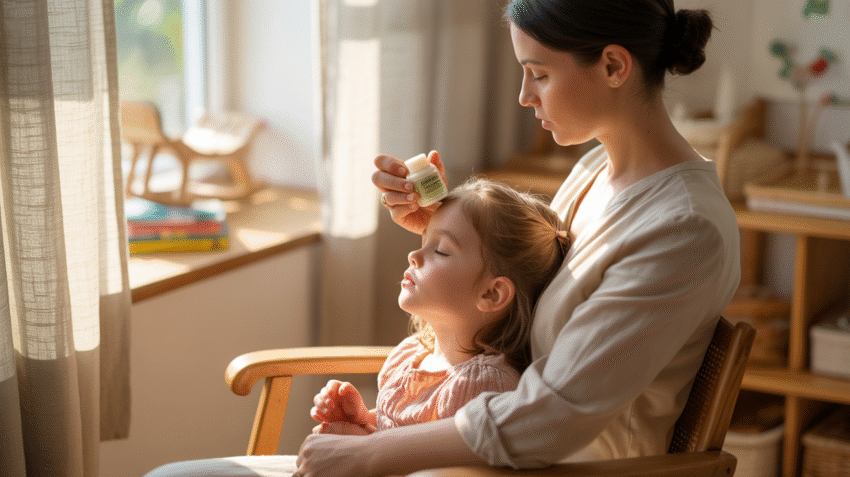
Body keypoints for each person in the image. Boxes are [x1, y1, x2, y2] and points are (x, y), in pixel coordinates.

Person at [146, 0, 741, 475]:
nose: (524, 96)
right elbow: (524, 284)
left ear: (614, 66)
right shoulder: (596, 173)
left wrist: (371, 454)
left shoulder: (682, 228)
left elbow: (555, 416)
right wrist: (442, 229)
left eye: (538, 74)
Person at [310, 178, 569, 437]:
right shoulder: (409, 355)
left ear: (492, 293)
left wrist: (360, 448)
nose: (414, 255)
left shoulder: (483, 388)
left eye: (442, 250)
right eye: (424, 241)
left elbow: (443, 468)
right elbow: (397, 439)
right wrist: (362, 420)